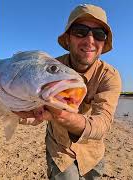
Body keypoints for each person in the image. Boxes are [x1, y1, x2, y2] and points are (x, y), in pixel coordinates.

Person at [13, 4, 122, 180]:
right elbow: (33, 111)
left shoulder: (109, 76)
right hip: (59, 149)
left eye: (99, 34)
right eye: (80, 31)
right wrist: (17, 112)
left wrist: (61, 115)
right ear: (69, 38)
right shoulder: (49, 69)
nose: (90, 40)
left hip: (92, 152)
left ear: (103, 42)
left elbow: (103, 123)